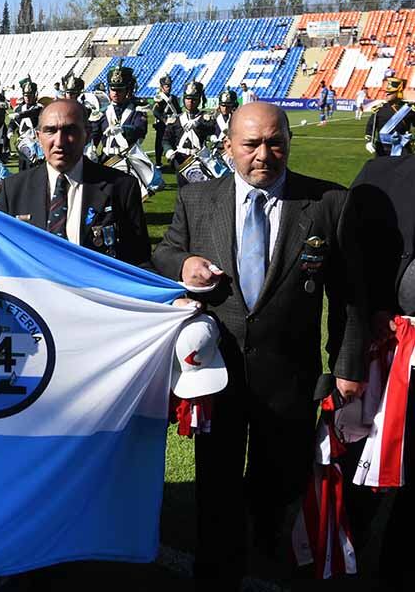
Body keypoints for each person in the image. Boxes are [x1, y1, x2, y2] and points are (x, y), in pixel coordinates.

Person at [151, 102, 364, 588]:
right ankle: (216, 567)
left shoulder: (328, 202)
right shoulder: (197, 197)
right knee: (217, 482)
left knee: (280, 482)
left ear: (289, 142)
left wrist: (346, 365)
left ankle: (269, 553)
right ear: (228, 148)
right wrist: (183, 264)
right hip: (215, 375)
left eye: (274, 142)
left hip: (289, 376)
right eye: (250, 144)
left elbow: (349, 295)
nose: (264, 154)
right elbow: (164, 251)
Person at [343, 154, 415, 590]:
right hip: (382, 350)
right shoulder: (382, 175)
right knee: (359, 452)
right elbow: (342, 250)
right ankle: (339, 542)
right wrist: (375, 306)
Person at [0, 98, 151, 266]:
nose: (59, 142)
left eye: (70, 130)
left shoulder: (121, 187)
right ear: (39, 137)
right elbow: (0, 257)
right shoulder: (12, 190)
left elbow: (139, 259)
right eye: (50, 131)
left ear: (87, 134)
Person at [162, 81, 217, 186]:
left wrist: (199, 125)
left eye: (194, 99)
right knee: (182, 192)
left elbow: (212, 130)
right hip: (180, 159)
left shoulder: (205, 118)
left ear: (199, 100)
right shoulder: (176, 119)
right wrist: (168, 151)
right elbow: (166, 139)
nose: (190, 102)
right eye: (188, 98)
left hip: (199, 158)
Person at [89, 65, 147, 160]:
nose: (115, 93)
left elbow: (140, 131)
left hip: (130, 158)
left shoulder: (137, 110)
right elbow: (93, 137)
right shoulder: (102, 113)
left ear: (127, 90)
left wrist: (122, 130)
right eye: (113, 89)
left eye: (120, 90)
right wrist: (91, 149)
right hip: (107, 159)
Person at [365, 75, 412, 156]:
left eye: (390, 93)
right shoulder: (379, 109)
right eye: (386, 92)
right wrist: (369, 142)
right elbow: (371, 127)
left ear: (398, 92)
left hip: (402, 147)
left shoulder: (409, 109)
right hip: (382, 149)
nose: (386, 94)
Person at [9, 76, 43, 172]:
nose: (27, 97)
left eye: (30, 95)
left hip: (35, 143)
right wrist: (10, 130)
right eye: (26, 95)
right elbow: (12, 123)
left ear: (35, 95)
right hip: (23, 145)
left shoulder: (39, 107)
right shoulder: (18, 108)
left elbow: (33, 113)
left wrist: (20, 115)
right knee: (23, 169)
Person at [151, 74, 180, 169]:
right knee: (159, 143)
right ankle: (158, 163)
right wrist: (164, 120)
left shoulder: (174, 98)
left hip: (173, 124)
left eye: (170, 85)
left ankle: (173, 161)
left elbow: (178, 111)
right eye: (167, 86)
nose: (169, 87)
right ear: (162, 87)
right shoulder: (159, 98)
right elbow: (155, 111)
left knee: (174, 143)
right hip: (162, 124)